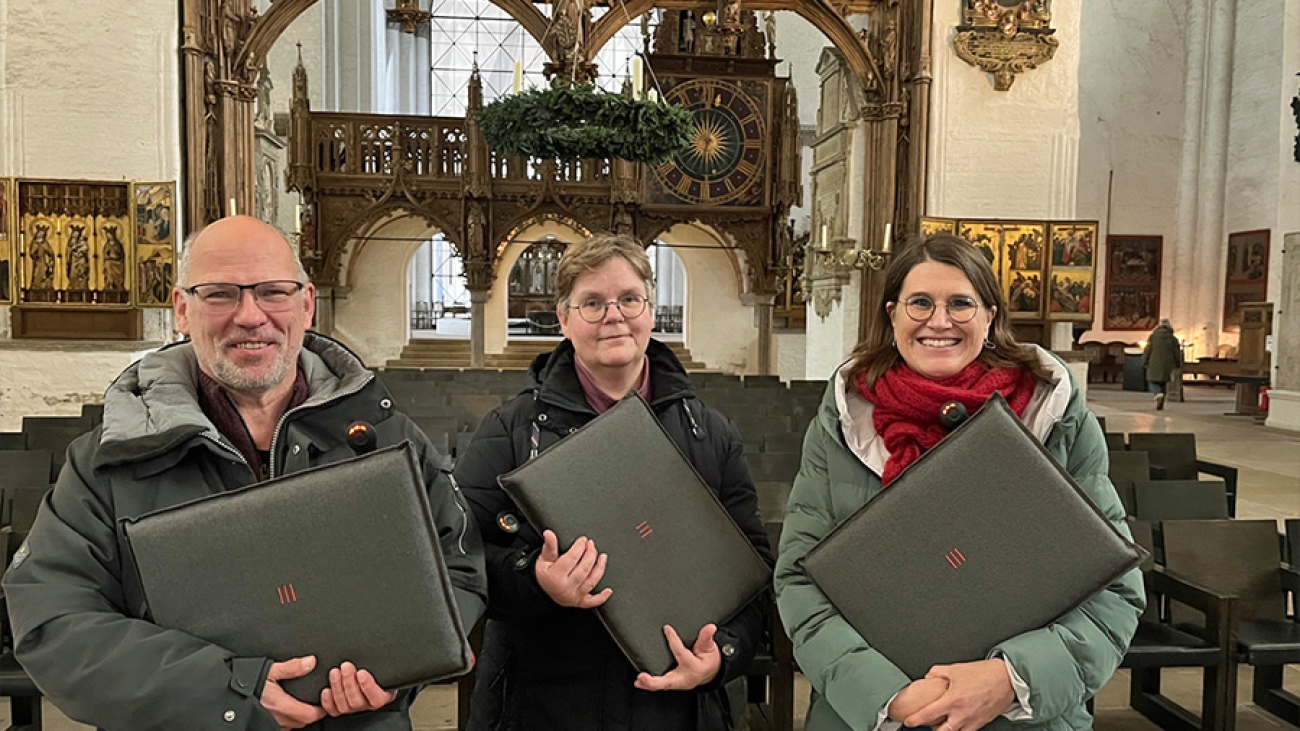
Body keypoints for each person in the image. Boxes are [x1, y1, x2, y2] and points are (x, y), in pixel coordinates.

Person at [3, 216, 488, 731]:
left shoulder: (390, 437)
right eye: (220, 295)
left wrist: (397, 665)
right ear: (181, 310)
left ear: (305, 304)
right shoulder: (109, 460)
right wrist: (229, 692)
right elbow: (53, 622)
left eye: (273, 292)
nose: (250, 316)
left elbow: (459, 569)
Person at [774, 233, 1143, 731]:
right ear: (893, 314)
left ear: (990, 316)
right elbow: (800, 578)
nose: (939, 321)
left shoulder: (1051, 415)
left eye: (961, 303)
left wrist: (1012, 679)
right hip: (874, 714)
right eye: (920, 302)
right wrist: (887, 694)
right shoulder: (844, 419)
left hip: (1020, 717)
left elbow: (1113, 584)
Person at [453, 233, 773, 731]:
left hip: (675, 705)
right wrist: (534, 579)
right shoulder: (510, 429)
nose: (614, 315)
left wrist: (722, 657)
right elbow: (461, 558)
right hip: (540, 702)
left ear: (650, 309)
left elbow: (750, 574)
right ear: (563, 319)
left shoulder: (709, 433)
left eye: (629, 299)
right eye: (593, 303)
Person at [1142, 318, 1181, 410]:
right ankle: (1161, 399)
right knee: (1163, 382)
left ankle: (1158, 395)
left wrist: (1144, 361)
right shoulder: (1173, 339)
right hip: (1168, 363)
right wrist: (1177, 363)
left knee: (1152, 381)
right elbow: (1176, 352)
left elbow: (1148, 350)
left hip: (1154, 362)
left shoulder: (1153, 337)